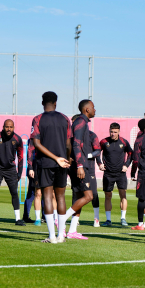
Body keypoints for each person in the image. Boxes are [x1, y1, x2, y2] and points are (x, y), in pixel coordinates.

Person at [31, 91, 72, 243]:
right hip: (62, 164)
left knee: (47, 196)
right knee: (60, 197)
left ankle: (52, 236)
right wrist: (65, 160)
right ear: (56, 103)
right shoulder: (65, 118)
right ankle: (61, 235)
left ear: (43, 103)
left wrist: (55, 158)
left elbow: (36, 143)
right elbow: (68, 144)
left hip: (46, 163)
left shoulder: (38, 119)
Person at [61, 100, 97, 239]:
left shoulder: (82, 122)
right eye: (93, 107)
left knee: (79, 197)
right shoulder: (81, 122)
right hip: (81, 166)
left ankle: (72, 231)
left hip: (78, 164)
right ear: (87, 110)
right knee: (89, 196)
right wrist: (80, 165)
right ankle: (61, 219)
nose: (95, 109)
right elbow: (76, 145)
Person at [0, 119, 25, 226]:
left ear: (13, 127)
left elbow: (21, 156)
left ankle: (17, 219)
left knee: (14, 193)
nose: (9, 129)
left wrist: (19, 172)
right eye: (7, 127)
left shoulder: (17, 139)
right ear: (3, 127)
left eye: (11, 127)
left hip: (10, 169)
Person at [96, 123, 132, 227]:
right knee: (108, 196)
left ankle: (123, 218)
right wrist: (99, 164)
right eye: (111, 131)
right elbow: (97, 153)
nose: (113, 134)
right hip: (108, 173)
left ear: (119, 132)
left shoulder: (124, 142)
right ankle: (108, 220)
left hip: (120, 173)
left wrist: (126, 165)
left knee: (123, 195)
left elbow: (130, 153)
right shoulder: (104, 141)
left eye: (115, 132)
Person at [23, 138, 43, 225]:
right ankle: (26, 216)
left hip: (42, 167)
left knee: (44, 193)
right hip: (34, 168)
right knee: (32, 193)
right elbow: (30, 153)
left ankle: (44, 217)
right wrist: (31, 168)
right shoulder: (32, 139)